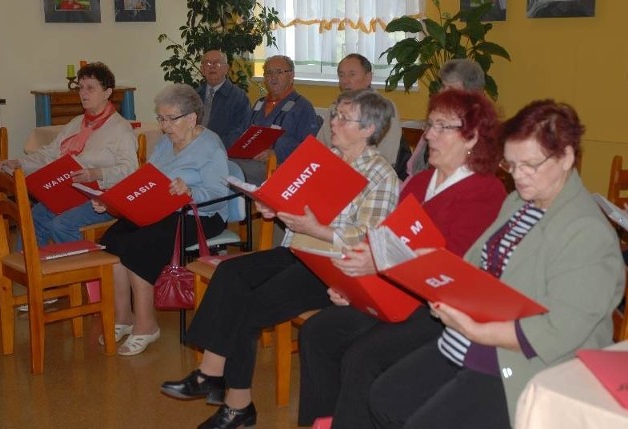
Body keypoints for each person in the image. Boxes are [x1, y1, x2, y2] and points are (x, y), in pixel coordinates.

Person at [369, 99, 625, 429]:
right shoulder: (520, 201)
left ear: (567, 158)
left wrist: (479, 331)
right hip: (472, 338)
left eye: (530, 165)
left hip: (524, 359)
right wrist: (435, 268)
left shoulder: (587, 231)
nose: (519, 177)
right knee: (384, 398)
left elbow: (560, 329)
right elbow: (478, 263)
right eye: (512, 165)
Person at [160, 89, 401, 429]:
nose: (333, 121)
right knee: (230, 274)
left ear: (368, 129)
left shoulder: (381, 176)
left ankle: (237, 406)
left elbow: (370, 240)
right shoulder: (324, 158)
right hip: (297, 251)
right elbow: (294, 201)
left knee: (248, 306)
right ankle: (210, 372)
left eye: (344, 118)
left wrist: (319, 229)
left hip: (333, 266)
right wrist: (272, 204)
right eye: (335, 114)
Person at [298, 89, 507, 428]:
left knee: (363, 356)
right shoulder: (421, 181)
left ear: (473, 137)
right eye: (430, 124)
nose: (429, 135)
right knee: (318, 332)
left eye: (442, 127)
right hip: (394, 292)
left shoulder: (486, 191)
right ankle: (324, 421)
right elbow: (387, 240)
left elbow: (452, 264)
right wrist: (353, 285)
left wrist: (380, 265)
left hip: (438, 308)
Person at [96, 83, 229, 356]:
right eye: (161, 118)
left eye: (170, 119)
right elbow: (148, 178)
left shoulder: (210, 146)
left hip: (202, 213)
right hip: (163, 209)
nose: (164, 126)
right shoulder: (166, 144)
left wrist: (190, 191)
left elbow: (219, 193)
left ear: (191, 118)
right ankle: (123, 317)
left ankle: (146, 325)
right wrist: (114, 199)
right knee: (112, 239)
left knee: (140, 245)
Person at [0, 62, 137, 246]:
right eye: (80, 88)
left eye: (90, 88)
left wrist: (97, 173)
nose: (83, 93)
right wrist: (19, 163)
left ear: (107, 92)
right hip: (69, 193)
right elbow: (49, 155)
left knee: (61, 225)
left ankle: (81, 272)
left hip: (102, 199)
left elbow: (131, 170)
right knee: (32, 218)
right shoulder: (76, 123)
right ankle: (34, 271)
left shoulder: (121, 128)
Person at [232, 55, 320, 186]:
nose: (273, 77)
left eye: (279, 72)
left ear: (291, 75)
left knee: (230, 171)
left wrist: (275, 153)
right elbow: (244, 133)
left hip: (278, 167)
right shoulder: (259, 104)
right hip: (248, 160)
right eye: (269, 73)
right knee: (222, 164)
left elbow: (310, 148)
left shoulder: (302, 107)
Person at [405, 58, 486, 181]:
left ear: (472, 95)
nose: (442, 93)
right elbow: (413, 171)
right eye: (443, 86)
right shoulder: (436, 122)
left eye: (451, 89)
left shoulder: (479, 134)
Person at [316, 53, 402, 166]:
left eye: (352, 74)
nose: (345, 81)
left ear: (368, 78)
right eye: (341, 75)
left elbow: (387, 158)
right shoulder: (334, 108)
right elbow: (319, 148)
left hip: (367, 173)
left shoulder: (383, 109)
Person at [195, 50, 252, 150]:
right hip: (193, 149)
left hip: (222, 152)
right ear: (202, 70)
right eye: (207, 63)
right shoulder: (194, 95)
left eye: (217, 62)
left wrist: (213, 147)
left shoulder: (238, 97)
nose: (212, 66)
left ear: (226, 69)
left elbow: (240, 131)